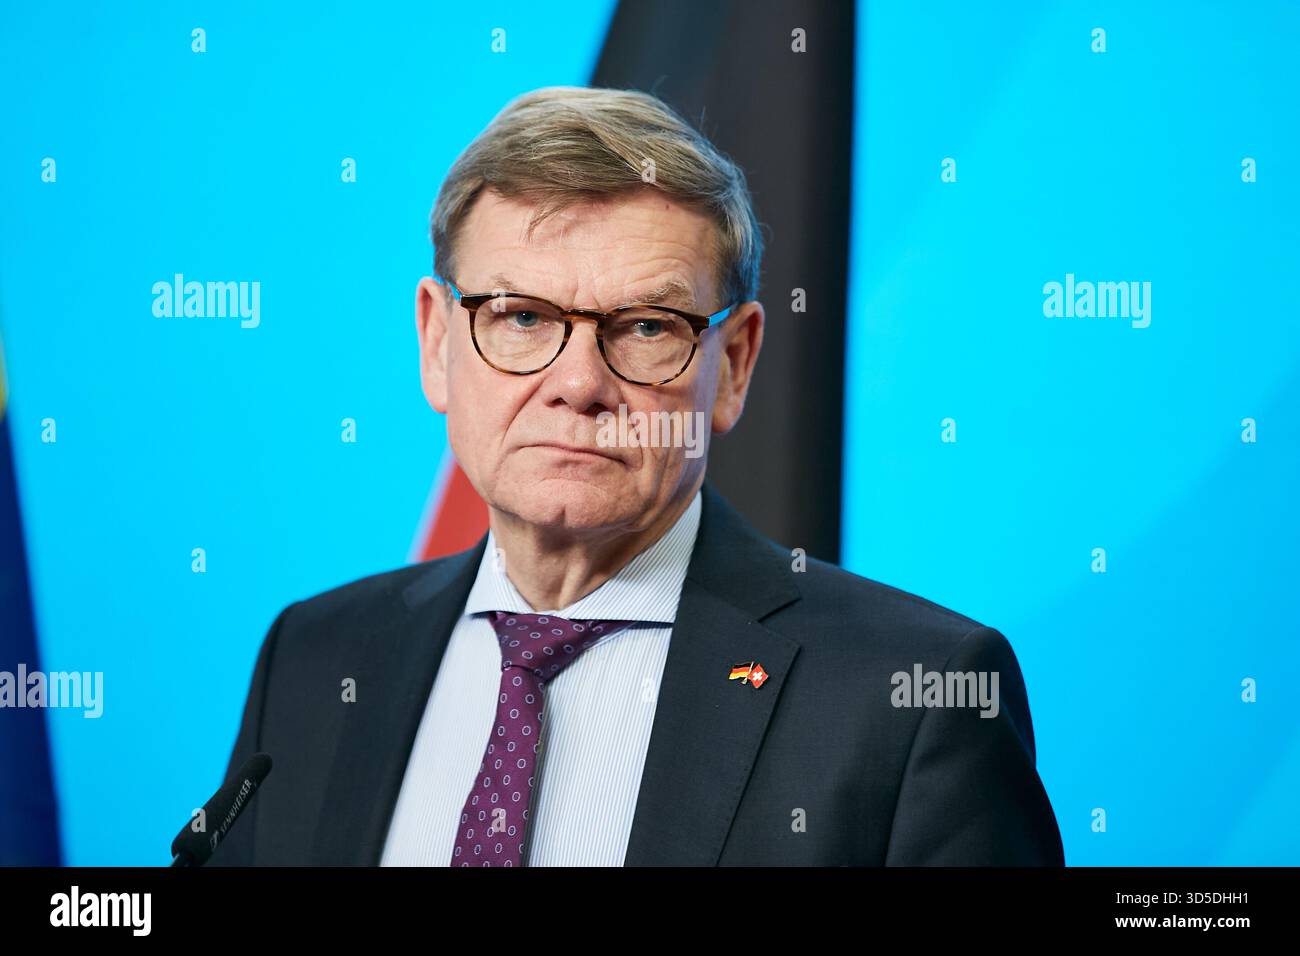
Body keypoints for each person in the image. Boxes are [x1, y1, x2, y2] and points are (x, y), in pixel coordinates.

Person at [207, 86, 1063, 866]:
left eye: (647, 328)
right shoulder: (316, 657)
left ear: (732, 365)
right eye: (520, 316)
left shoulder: (914, 700)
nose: (579, 384)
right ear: (436, 343)